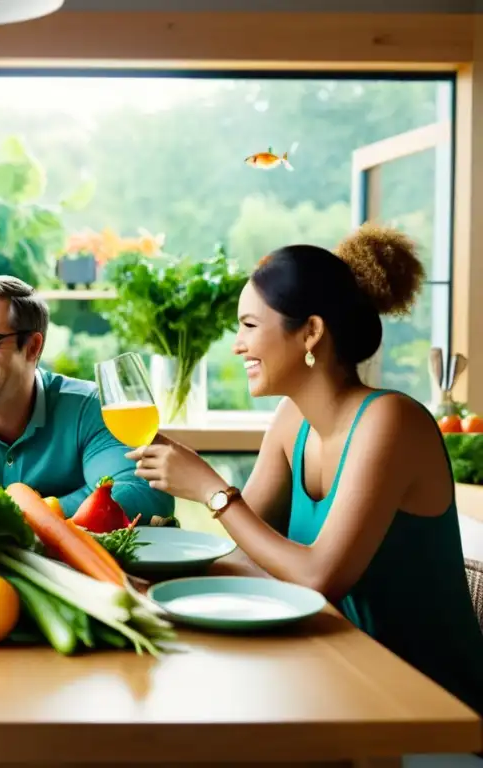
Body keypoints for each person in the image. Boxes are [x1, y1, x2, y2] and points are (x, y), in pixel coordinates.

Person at [130, 223, 483, 716]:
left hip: (431, 712)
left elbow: (319, 578)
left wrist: (211, 490)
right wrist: (147, 563)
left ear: (311, 332)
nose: (237, 344)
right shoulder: (291, 420)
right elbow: (253, 559)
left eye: (250, 326)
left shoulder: (391, 422)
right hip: (335, 683)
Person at [0, 275, 174, 522]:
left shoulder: (91, 409)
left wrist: (11, 516)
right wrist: (53, 510)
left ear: (32, 347)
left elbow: (144, 495)